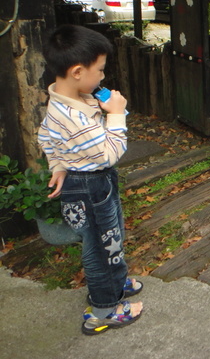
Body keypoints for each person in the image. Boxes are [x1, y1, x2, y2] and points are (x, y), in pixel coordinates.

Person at [37, 24, 143, 335]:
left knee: (112, 237)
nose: (103, 77)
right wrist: (117, 114)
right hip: (89, 185)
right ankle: (104, 310)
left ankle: (116, 281)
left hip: (93, 181)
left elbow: (46, 137)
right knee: (99, 249)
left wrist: (57, 166)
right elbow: (110, 153)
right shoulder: (73, 117)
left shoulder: (67, 99)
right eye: (100, 70)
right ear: (78, 71)